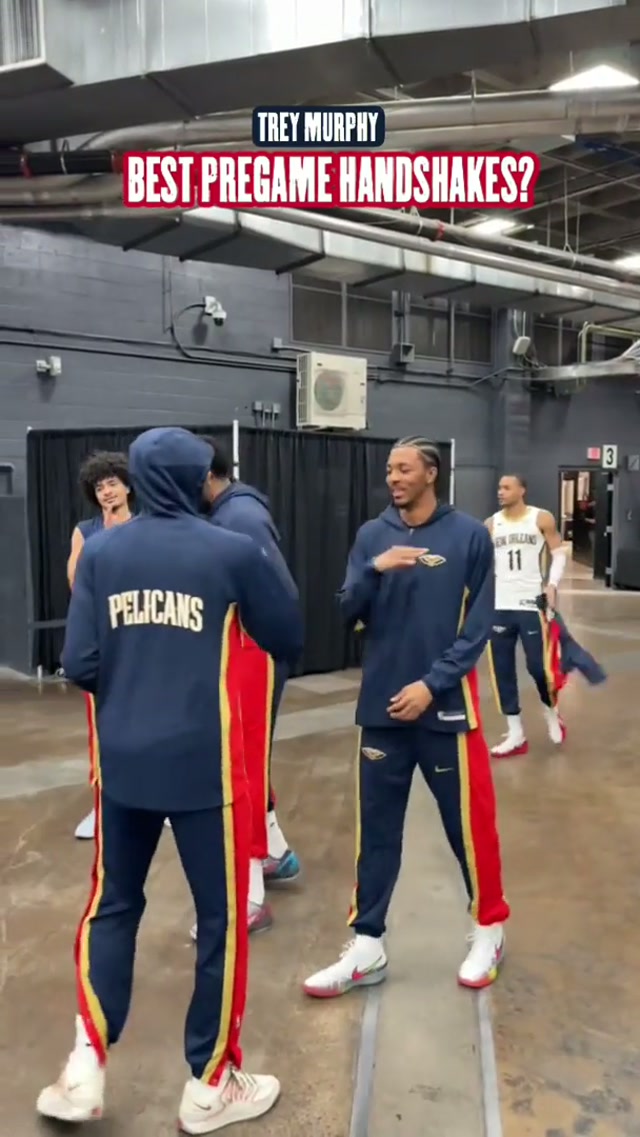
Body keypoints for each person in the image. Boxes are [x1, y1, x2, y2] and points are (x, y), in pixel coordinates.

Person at [37, 428, 303, 1133]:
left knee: (113, 904)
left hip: (123, 761)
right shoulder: (233, 549)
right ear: (198, 479)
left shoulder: (100, 551)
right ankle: (210, 1083)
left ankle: (85, 1065)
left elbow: (80, 666)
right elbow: (288, 636)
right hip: (202, 765)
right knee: (221, 921)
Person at [303, 437, 509, 999]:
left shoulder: (468, 536)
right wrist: (374, 568)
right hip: (383, 710)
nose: (393, 479)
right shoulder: (373, 535)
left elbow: (477, 629)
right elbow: (347, 609)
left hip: (443, 708)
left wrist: (431, 683)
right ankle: (367, 943)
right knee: (376, 832)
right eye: (389, 470)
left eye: (403, 469)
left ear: (431, 473)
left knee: (467, 828)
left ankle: (489, 928)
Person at [190, 440, 299, 939]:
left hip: (249, 658)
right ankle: (274, 853)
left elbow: (277, 599)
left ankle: (251, 893)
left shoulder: (239, 521)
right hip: (245, 655)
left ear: (205, 476)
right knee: (247, 761)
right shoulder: (233, 514)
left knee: (241, 768)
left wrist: (265, 647)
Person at [66, 451, 133, 841]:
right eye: (99, 486)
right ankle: (103, 807)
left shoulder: (146, 525)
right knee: (103, 728)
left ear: (127, 484)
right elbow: (77, 582)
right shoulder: (87, 530)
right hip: (103, 644)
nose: (106, 491)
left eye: (111, 483)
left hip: (142, 640)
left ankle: (161, 802)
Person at [486, 474, 567, 758]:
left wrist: (552, 584)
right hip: (500, 605)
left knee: (538, 668)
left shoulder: (540, 518)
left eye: (506, 487)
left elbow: (558, 553)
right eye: (499, 488)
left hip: (531, 604)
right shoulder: (491, 524)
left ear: (522, 490)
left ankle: (551, 712)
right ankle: (515, 731)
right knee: (502, 670)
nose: (501, 492)